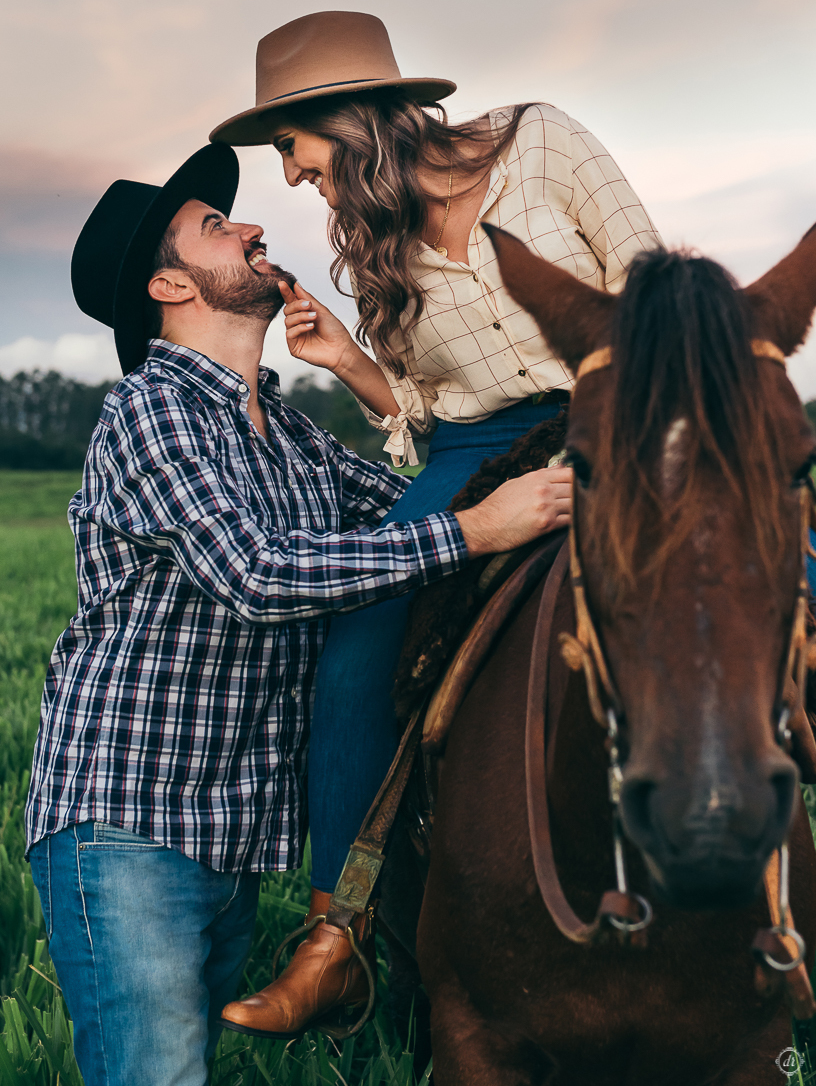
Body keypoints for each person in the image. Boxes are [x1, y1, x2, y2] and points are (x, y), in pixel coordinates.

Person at [24, 143, 570, 1086]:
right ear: (168, 281)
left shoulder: (287, 434)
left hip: (226, 835)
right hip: (129, 827)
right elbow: (257, 572)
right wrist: (477, 532)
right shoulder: (149, 411)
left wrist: (362, 372)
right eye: (215, 227)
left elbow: (416, 506)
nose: (250, 227)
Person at [210, 11, 661, 1037]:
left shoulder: (545, 142)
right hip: (465, 451)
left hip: (614, 406)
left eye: (290, 146)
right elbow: (422, 414)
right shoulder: (368, 240)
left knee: (784, 574)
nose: (289, 176)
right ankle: (342, 936)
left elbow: (653, 292)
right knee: (356, 643)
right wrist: (348, 365)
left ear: (343, 115)